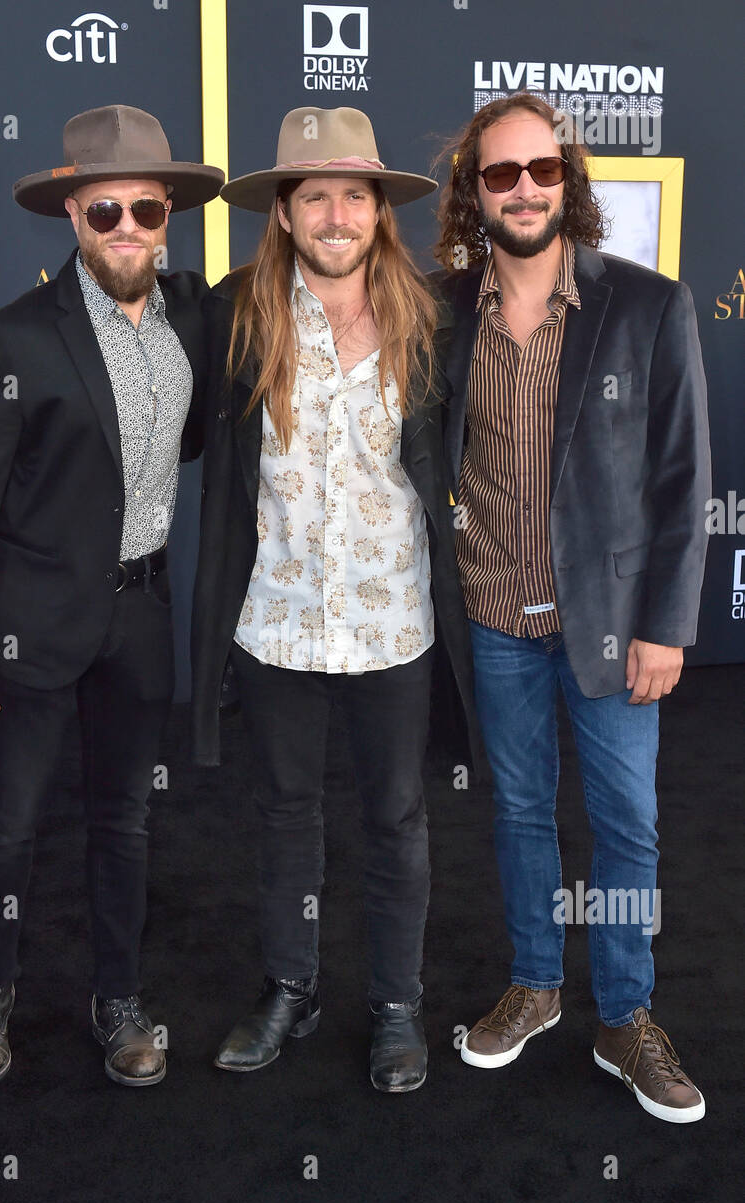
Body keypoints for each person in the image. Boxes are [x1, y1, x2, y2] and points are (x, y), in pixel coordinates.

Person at [0, 105, 223, 1089]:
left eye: (145, 207)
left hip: (141, 614)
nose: (127, 226)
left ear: (168, 211)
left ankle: (118, 995)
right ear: (72, 216)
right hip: (28, 623)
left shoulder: (193, 310)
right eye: (105, 211)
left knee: (125, 817)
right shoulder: (16, 337)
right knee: (11, 822)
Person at [433, 93, 711, 1122]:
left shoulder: (646, 306)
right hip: (492, 612)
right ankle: (536, 984)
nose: (521, 190)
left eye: (540, 171)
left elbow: (681, 480)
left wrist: (664, 623)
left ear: (568, 181)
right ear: (474, 192)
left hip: (609, 622)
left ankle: (625, 1014)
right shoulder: (440, 309)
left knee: (624, 824)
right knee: (514, 812)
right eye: (498, 175)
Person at [192, 106, 481, 1093]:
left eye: (351, 194)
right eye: (311, 195)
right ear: (282, 213)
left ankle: (395, 1004)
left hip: (393, 619)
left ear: (377, 210)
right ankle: (289, 986)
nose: (333, 212)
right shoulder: (236, 316)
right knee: (283, 811)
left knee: (397, 815)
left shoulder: (431, 316)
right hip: (274, 621)